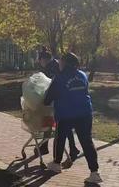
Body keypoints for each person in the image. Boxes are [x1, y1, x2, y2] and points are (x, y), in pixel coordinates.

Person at [43, 52, 102, 183]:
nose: (59, 64)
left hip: (66, 113)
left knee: (60, 138)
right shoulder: (82, 75)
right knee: (87, 141)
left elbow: (47, 99)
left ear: (65, 63)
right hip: (85, 113)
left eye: (61, 62)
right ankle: (94, 172)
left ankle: (56, 164)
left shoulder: (60, 77)